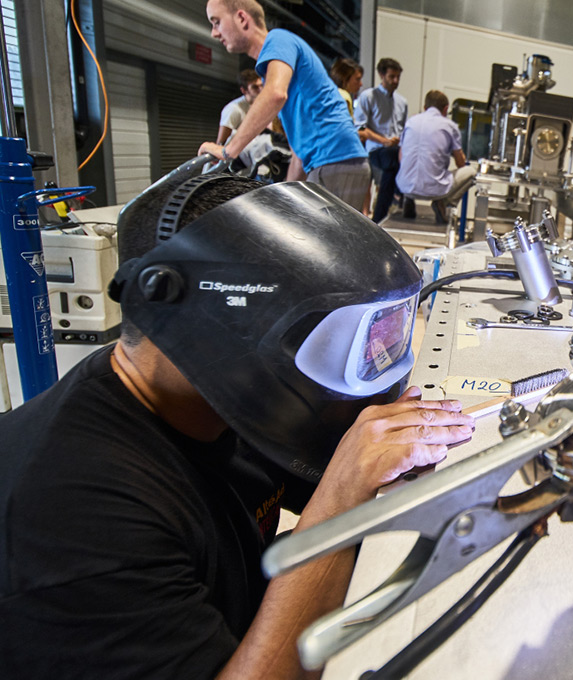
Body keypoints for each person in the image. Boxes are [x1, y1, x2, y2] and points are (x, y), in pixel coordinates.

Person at [0, 169, 474, 678]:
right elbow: (339, 485)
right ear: (213, 316)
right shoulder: (76, 516)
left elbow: (336, 466)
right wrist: (343, 496)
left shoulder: (227, 400)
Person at [200, 0, 370, 209]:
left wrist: (227, 152)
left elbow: (274, 94)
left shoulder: (277, 40)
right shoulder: (282, 73)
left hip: (335, 160)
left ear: (242, 19)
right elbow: (298, 152)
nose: (214, 33)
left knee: (325, 241)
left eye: (216, 22)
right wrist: (284, 198)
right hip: (332, 162)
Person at [397, 89, 474, 225]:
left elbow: (401, 156)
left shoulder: (411, 122)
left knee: (410, 168)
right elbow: (460, 163)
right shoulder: (450, 126)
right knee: (471, 172)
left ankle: (408, 199)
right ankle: (443, 203)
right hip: (436, 190)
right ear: (445, 109)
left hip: (405, 186)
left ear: (425, 107)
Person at [355, 58, 409, 223]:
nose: (395, 81)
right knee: (393, 161)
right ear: (381, 75)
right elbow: (361, 130)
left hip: (395, 151)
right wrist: (384, 141)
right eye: (392, 77)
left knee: (392, 170)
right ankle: (400, 199)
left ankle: (379, 217)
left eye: (398, 77)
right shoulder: (368, 97)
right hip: (376, 150)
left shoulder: (402, 102)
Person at [217, 68, 264, 144]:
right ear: (244, 90)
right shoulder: (233, 109)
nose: (260, 90)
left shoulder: (260, 106)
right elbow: (221, 143)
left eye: (261, 86)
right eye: (255, 87)